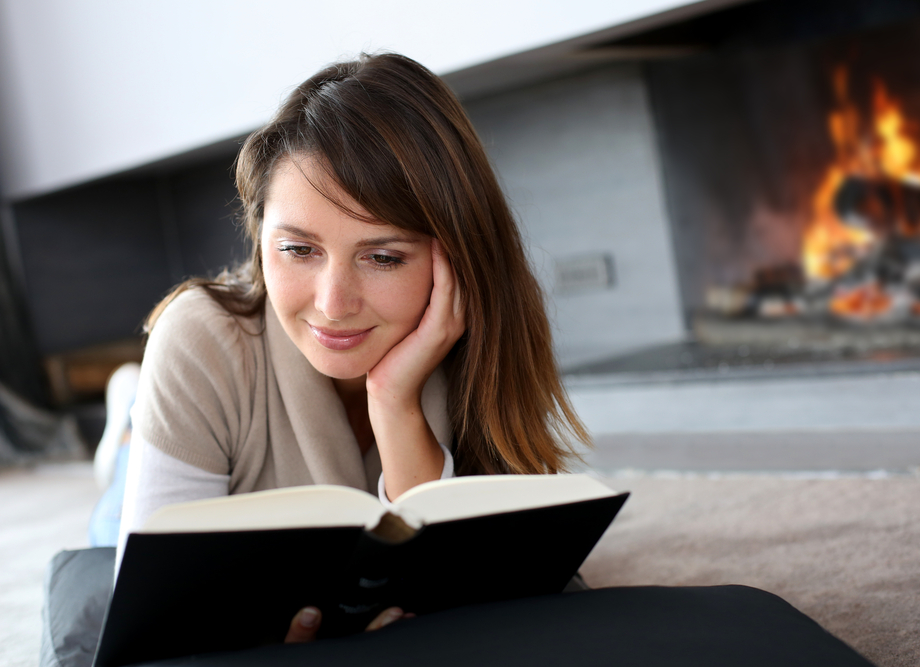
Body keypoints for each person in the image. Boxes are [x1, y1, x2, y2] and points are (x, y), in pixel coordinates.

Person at [115, 52, 590, 639]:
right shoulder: (201, 338)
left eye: (383, 257)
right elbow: (153, 616)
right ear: (260, 237)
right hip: (193, 427)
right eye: (298, 250)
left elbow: (466, 590)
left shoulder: (482, 336)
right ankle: (128, 423)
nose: (333, 303)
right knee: (111, 517)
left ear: (457, 258)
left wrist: (395, 402)